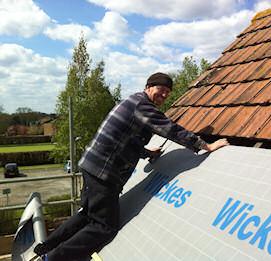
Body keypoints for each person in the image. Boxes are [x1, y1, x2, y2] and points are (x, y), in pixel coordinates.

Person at [34, 72, 229, 260]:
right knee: (105, 227)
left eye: (167, 93)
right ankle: (53, 258)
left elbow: (124, 140)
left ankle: (45, 247)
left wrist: (147, 153)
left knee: (87, 215)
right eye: (160, 89)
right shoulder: (142, 106)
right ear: (148, 87)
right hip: (104, 172)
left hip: (92, 165)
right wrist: (205, 145)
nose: (164, 95)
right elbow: (170, 129)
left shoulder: (133, 102)